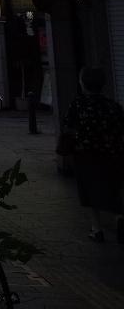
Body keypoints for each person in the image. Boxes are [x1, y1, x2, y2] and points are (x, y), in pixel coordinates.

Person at [61, 67, 124, 242]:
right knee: (113, 186)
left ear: (83, 84)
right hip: (112, 154)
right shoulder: (112, 106)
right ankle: (119, 217)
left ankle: (96, 229)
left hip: (86, 155)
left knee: (89, 190)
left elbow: (68, 126)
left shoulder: (78, 104)